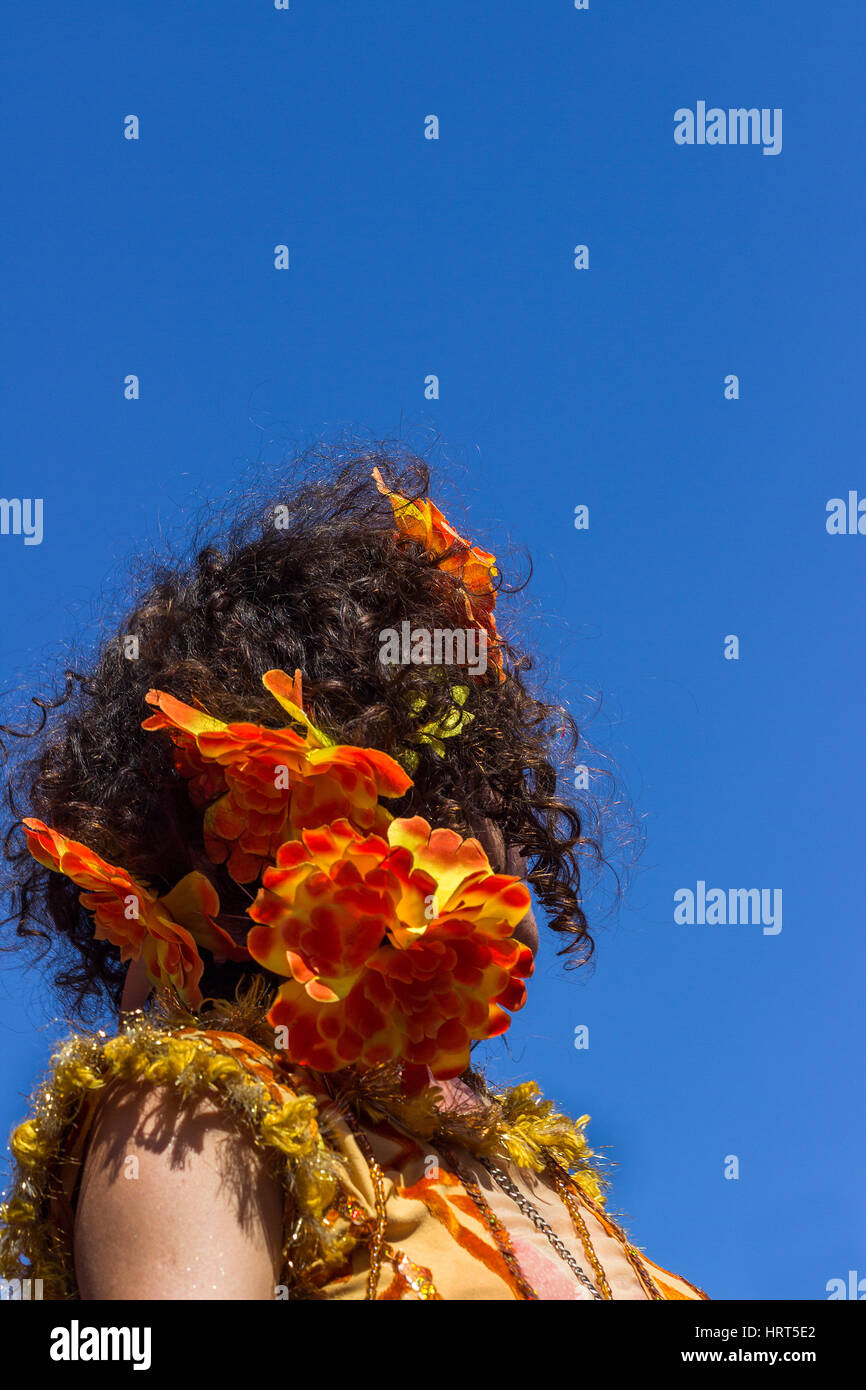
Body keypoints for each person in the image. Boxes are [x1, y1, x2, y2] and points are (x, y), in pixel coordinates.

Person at [0, 449, 707, 1301]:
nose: (516, 841)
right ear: (339, 819)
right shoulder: (191, 1106)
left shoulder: (528, 1163)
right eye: (476, 784)